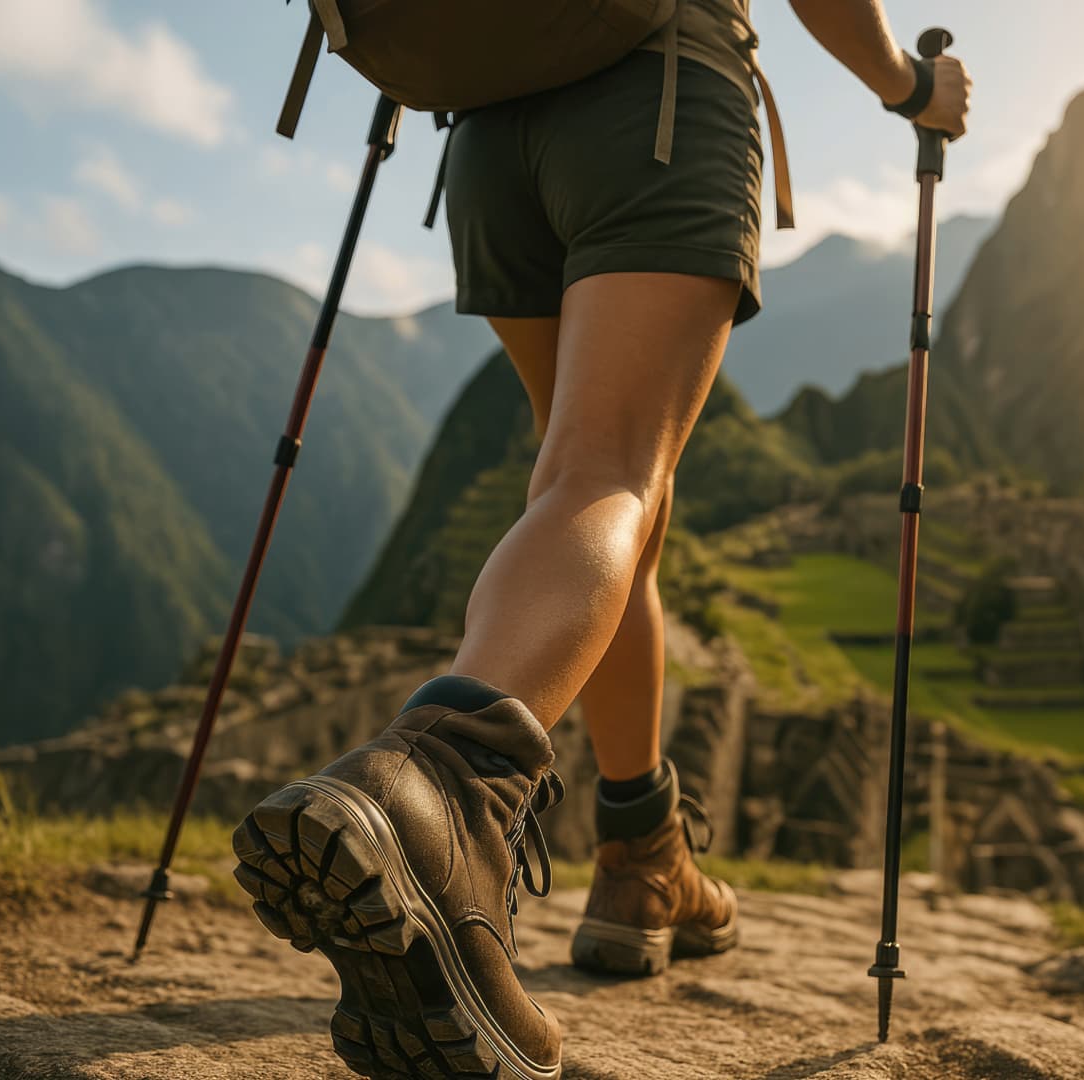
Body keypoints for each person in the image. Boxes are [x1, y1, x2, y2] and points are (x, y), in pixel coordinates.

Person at [233, 3, 970, 1077]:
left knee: (603, 494)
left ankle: (642, 853)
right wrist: (908, 85)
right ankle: (443, 791)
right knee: (608, 471)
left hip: (488, 135)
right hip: (655, 99)